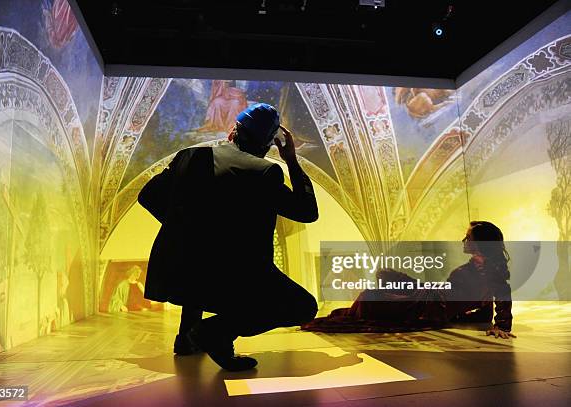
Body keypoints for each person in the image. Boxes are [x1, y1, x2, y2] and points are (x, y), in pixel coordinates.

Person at [138, 103, 319, 371]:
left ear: (232, 132)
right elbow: (306, 211)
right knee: (304, 307)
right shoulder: (265, 173)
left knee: (199, 255)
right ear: (268, 146)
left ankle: (187, 336)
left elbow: (147, 196)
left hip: (177, 272)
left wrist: (180, 227)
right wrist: (291, 159)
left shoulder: (188, 156)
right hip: (236, 279)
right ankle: (215, 331)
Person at [302, 221, 516, 339]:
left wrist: (502, 326)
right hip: (430, 295)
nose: (464, 240)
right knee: (384, 275)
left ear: (480, 243)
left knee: (371, 295)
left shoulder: (491, 272)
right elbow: (480, 303)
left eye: (468, 237)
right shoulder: (476, 267)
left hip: (429, 307)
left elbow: (501, 297)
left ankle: (357, 310)